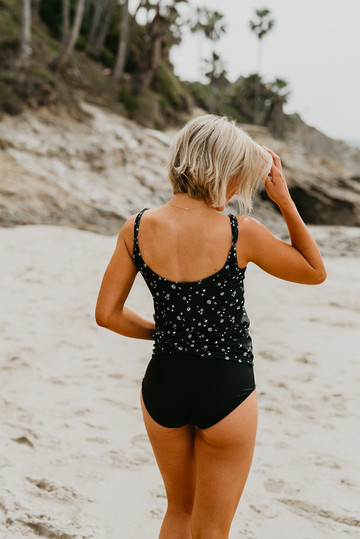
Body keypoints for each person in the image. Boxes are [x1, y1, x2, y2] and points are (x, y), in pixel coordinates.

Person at [95, 114, 327, 539]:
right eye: (240, 174)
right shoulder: (242, 233)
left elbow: (107, 314)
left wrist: (158, 333)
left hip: (164, 382)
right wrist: (285, 201)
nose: (240, 187)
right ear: (225, 170)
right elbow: (314, 270)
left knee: (179, 512)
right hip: (226, 387)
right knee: (213, 529)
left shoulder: (138, 227)